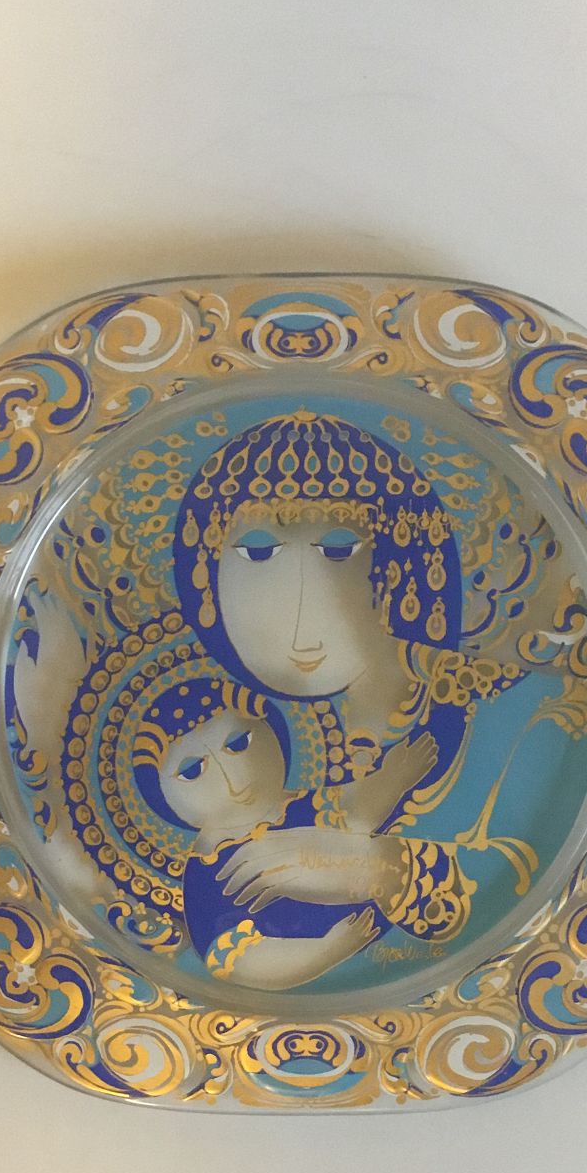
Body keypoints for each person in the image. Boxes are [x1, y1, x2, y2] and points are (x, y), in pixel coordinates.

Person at [172, 409, 539, 942]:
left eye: (339, 551)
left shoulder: (522, 711)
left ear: (400, 560)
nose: (302, 615)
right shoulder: (257, 736)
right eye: (258, 552)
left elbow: (524, 889)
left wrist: (375, 871)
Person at [131, 673, 441, 989]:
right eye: (191, 771)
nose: (232, 779)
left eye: (238, 744)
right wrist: (328, 950)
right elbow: (232, 959)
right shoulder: (208, 868)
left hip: (397, 944)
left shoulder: (302, 803)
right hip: (345, 957)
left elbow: (355, 813)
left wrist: (393, 778)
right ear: (161, 796)